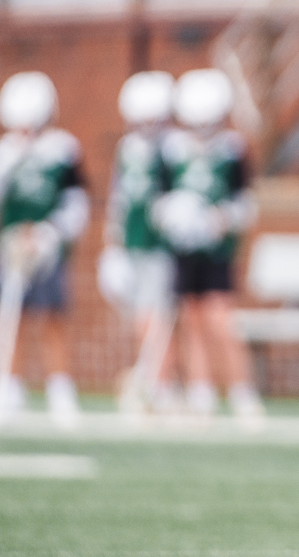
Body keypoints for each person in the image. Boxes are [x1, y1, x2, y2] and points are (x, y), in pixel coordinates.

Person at [0, 71, 89, 425]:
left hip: (48, 251)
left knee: (52, 319)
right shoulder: (4, 152)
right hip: (10, 251)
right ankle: (9, 389)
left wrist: (50, 233)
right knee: (11, 319)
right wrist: (0, 167)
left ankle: (60, 392)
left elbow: (76, 205)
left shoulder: (63, 150)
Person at [153, 67, 263, 422]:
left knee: (220, 318)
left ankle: (242, 390)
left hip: (217, 249)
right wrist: (175, 216)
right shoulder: (172, 150)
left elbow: (245, 202)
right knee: (190, 317)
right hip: (184, 247)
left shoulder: (232, 150)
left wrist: (221, 219)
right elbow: (160, 200)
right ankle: (201, 390)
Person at [98, 70, 178, 415]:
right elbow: (119, 199)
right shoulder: (128, 149)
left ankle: (160, 385)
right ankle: (155, 381)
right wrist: (112, 245)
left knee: (157, 316)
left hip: (163, 246)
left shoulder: (173, 148)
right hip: (133, 244)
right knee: (143, 317)